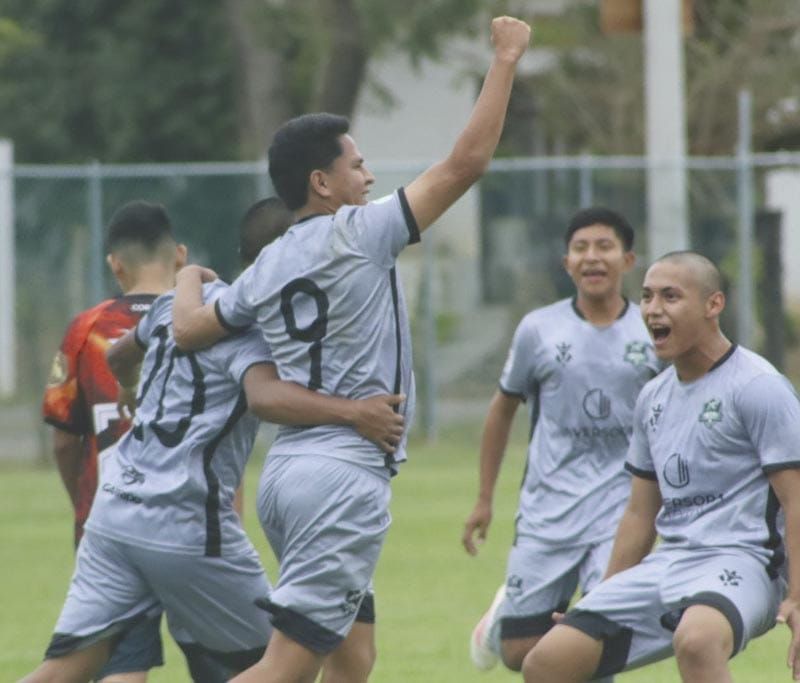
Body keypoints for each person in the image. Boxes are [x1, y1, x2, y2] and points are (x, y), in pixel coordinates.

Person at [170, 15, 532, 683]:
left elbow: (190, 329)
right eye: (357, 164)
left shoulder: (266, 266)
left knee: (353, 658)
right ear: (321, 182)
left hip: (287, 478)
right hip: (341, 479)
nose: (368, 175)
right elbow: (467, 163)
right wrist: (506, 59)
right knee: (284, 667)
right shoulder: (362, 232)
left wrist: (188, 275)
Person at [23, 203, 405, 683]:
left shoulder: (178, 303)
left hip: (113, 511)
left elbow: (118, 356)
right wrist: (355, 413)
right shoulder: (252, 327)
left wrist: (129, 389)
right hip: (185, 522)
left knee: (64, 669)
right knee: (286, 665)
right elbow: (264, 396)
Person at [522, 251, 800, 683]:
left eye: (670, 296)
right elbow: (639, 514)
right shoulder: (652, 398)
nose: (653, 309)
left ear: (713, 305)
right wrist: (602, 595)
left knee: (697, 640)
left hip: (746, 561)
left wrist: (798, 596)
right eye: (647, 296)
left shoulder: (758, 387)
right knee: (546, 663)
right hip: (670, 562)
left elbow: (795, 499)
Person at [462, 207, 662, 677]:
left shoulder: (652, 330)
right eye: (580, 248)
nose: (592, 257)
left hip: (621, 509)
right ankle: (503, 620)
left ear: (627, 260)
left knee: (600, 637)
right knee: (520, 653)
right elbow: (502, 409)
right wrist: (484, 498)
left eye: (604, 246)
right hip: (549, 507)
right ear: (566, 263)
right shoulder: (539, 329)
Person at [41, 200, 187, 682]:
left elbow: (65, 442)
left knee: (122, 666)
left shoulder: (87, 331)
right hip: (192, 526)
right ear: (180, 256)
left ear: (114, 264)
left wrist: (83, 510)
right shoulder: (204, 323)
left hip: (113, 524)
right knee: (245, 663)